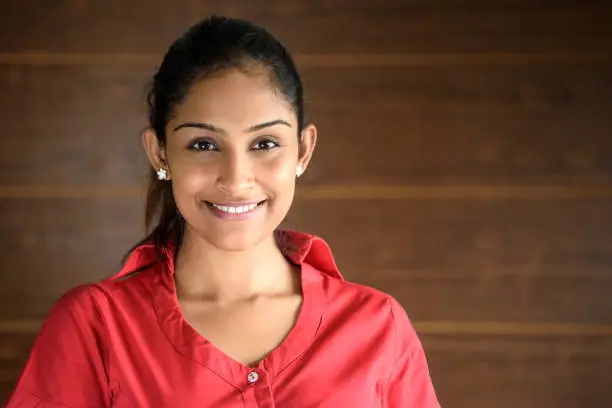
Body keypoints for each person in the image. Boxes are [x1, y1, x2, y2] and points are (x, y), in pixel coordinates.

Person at [6, 16, 440, 408]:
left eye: (265, 143)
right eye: (203, 145)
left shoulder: (377, 326)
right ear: (161, 153)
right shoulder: (94, 325)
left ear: (303, 151)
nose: (236, 178)